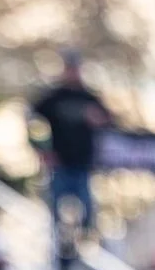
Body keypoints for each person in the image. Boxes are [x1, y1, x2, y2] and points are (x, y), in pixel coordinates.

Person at [29, 49, 110, 234]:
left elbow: (110, 123)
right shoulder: (53, 98)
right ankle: (60, 251)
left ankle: (86, 243)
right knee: (57, 213)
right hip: (59, 164)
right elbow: (32, 121)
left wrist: (100, 120)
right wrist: (42, 150)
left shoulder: (90, 97)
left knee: (87, 211)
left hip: (83, 163)